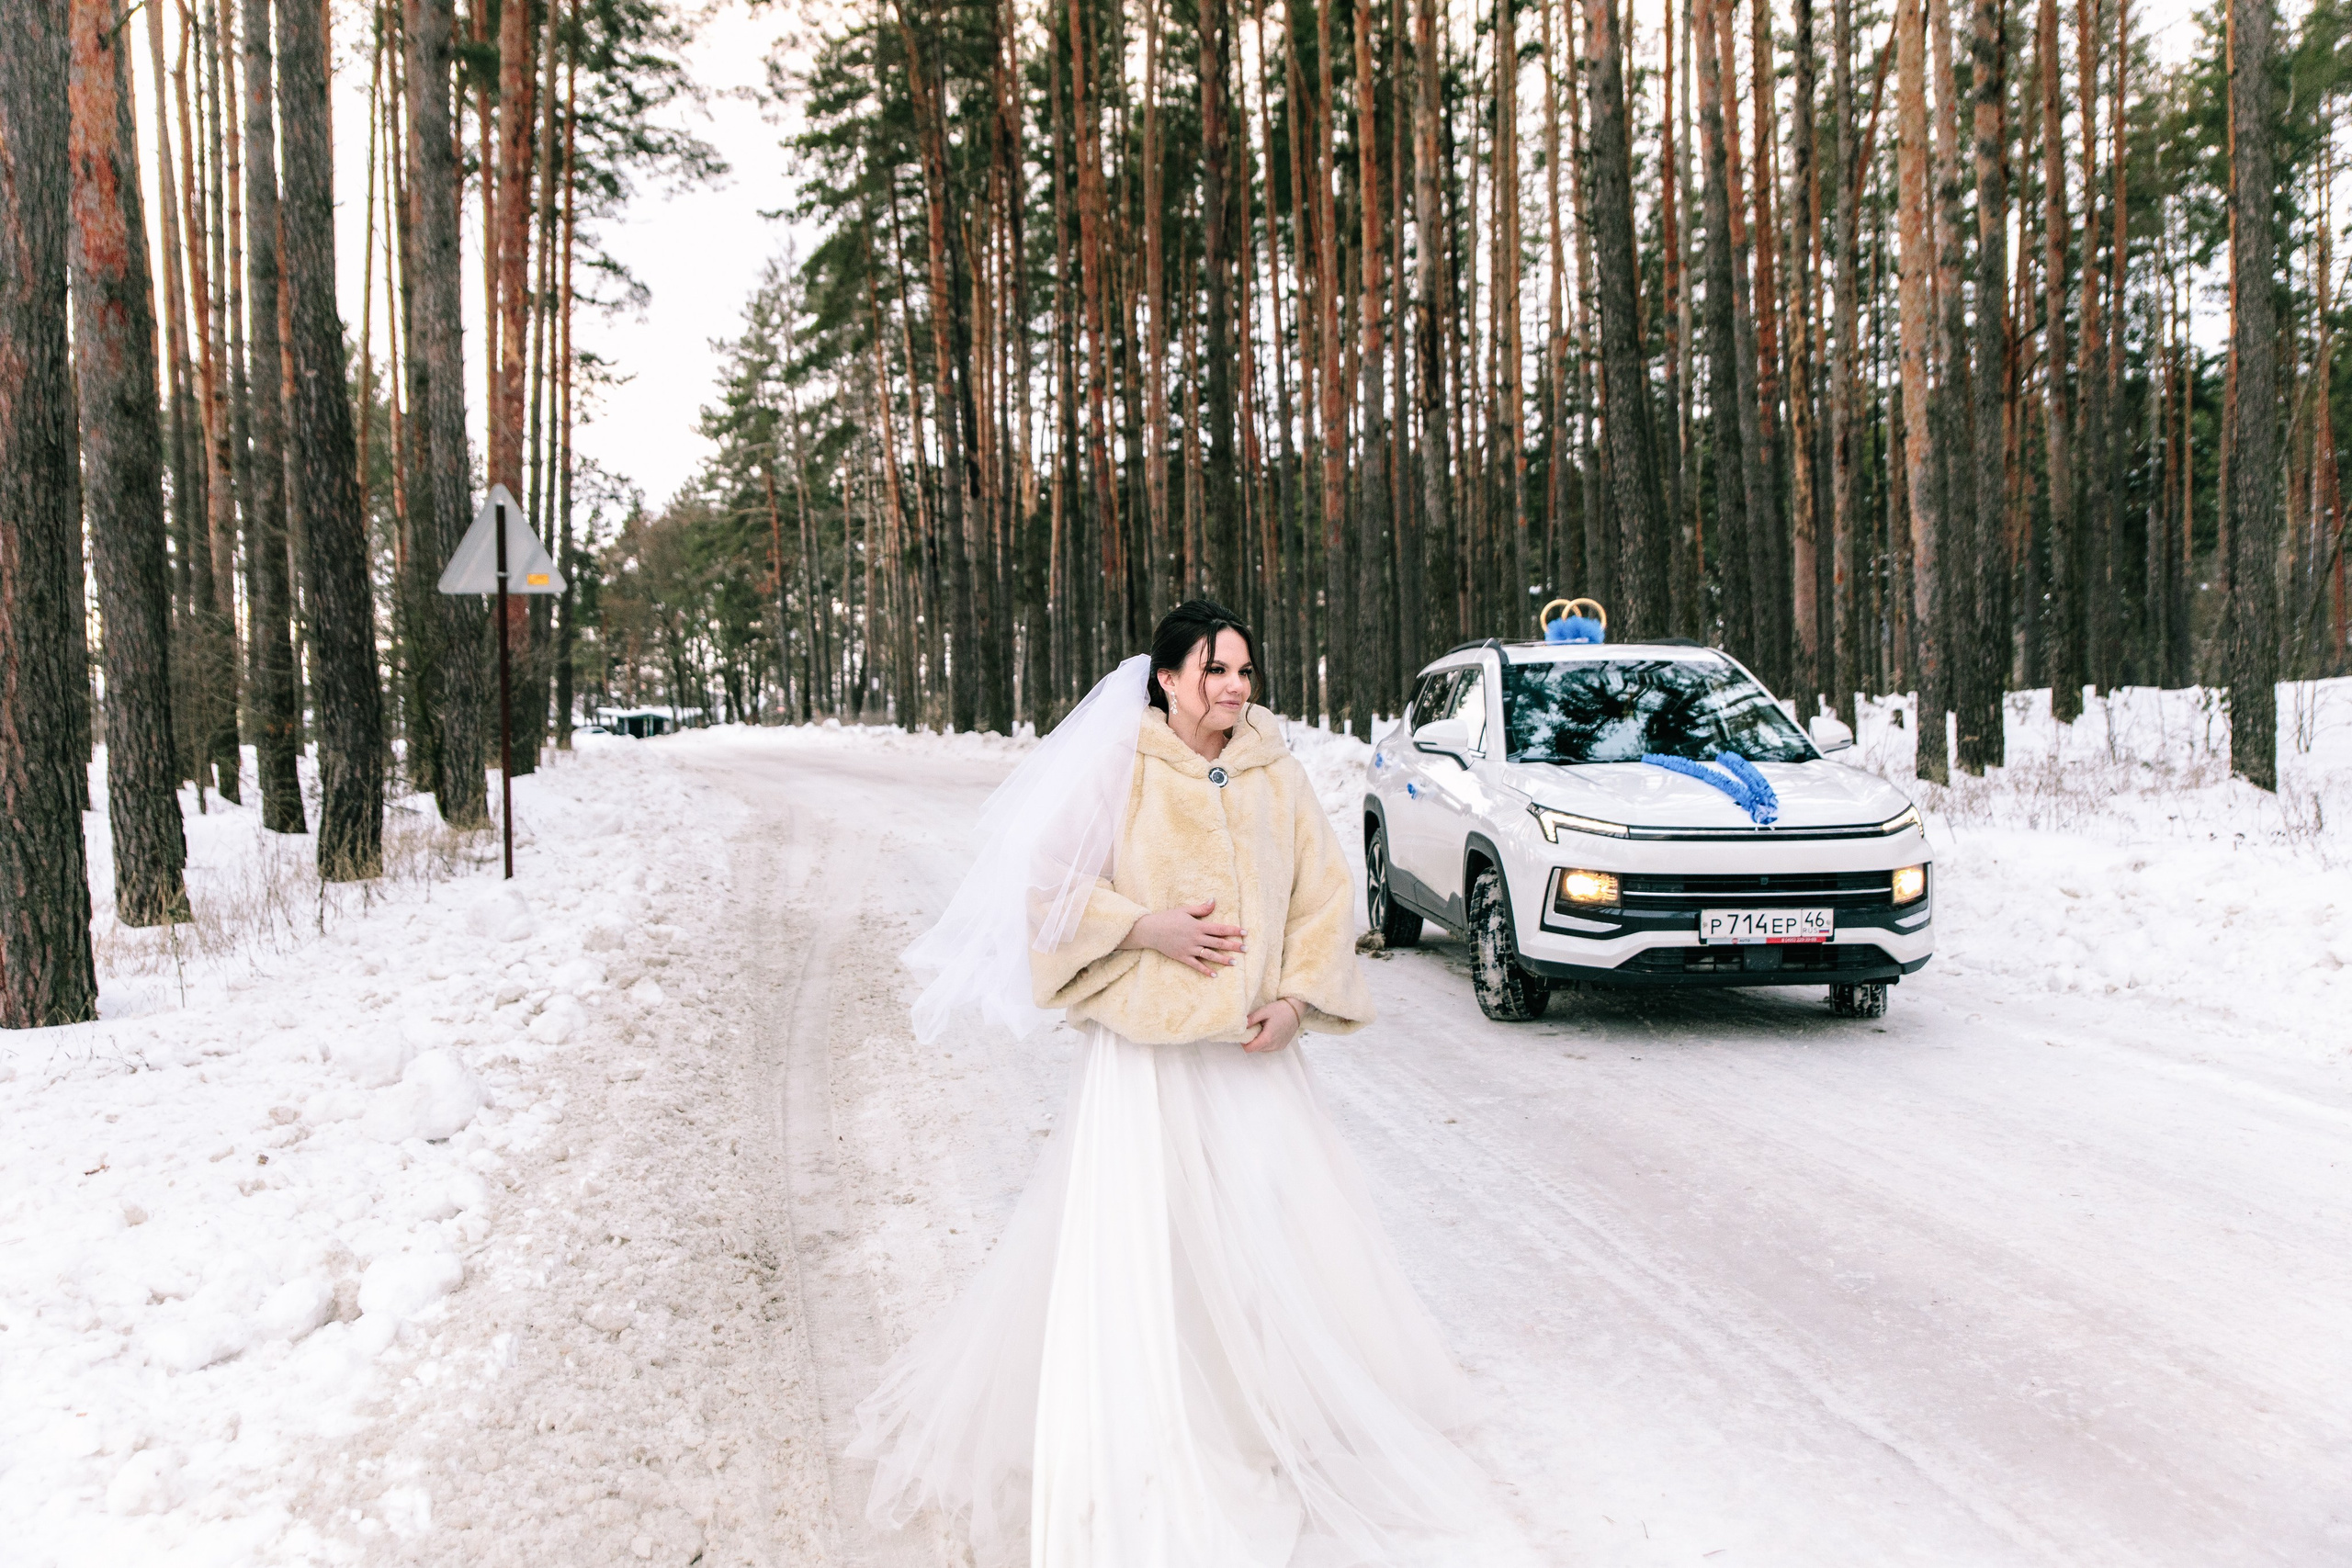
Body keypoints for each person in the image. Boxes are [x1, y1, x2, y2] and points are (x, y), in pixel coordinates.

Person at [849, 601, 1530, 1567]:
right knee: (1152, 1243)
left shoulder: (1272, 769)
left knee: (1264, 1235)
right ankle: (1160, 1424)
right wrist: (1143, 926)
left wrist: (1297, 1000)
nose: (1234, 687)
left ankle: (1260, 1416)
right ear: (1166, 678)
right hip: (1149, 1058)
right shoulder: (1123, 768)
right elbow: (1048, 890)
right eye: (1215, 670)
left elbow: (1321, 893)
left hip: (1252, 1057)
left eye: (1244, 670)